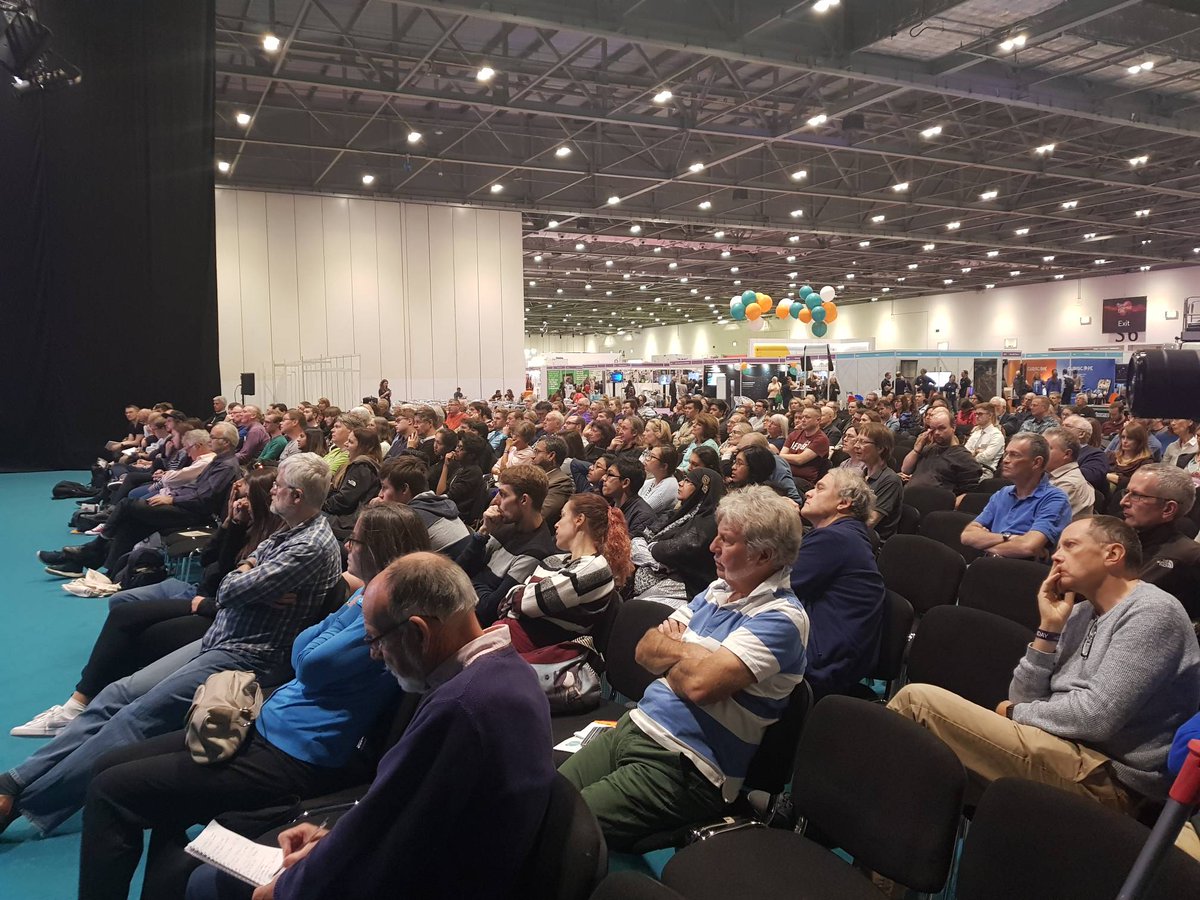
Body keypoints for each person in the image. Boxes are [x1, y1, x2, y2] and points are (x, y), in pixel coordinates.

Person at [76, 505, 430, 900]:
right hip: (265, 724)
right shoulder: (365, 593)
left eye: (355, 540)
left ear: (378, 548)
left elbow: (310, 661)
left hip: (297, 756)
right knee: (106, 767)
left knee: (111, 791)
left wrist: (313, 645)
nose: (347, 545)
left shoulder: (386, 610)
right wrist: (312, 644)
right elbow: (304, 647)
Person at [1, 454, 345, 837]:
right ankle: (15, 780)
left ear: (296, 496)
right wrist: (248, 574)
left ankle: (24, 804)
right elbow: (237, 577)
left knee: (136, 719)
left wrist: (245, 577)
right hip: (223, 638)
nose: (273, 491)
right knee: (118, 693)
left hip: (247, 657)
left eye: (278, 486)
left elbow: (230, 588)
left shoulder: (309, 546)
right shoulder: (293, 528)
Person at [188, 552, 556, 900]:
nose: (374, 654)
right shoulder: (509, 672)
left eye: (376, 640)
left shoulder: (459, 707)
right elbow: (402, 819)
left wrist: (289, 889)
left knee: (205, 884)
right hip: (450, 866)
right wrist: (331, 840)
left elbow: (392, 846)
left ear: (419, 632)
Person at [889, 516, 1200, 812]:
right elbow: (1024, 697)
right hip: (1062, 749)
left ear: (1113, 554)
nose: (1055, 556)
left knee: (918, 704)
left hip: (1110, 778)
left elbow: (1097, 716)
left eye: (1070, 545)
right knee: (925, 772)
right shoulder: (1078, 614)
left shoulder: (1153, 612)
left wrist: (1014, 713)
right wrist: (1048, 630)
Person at [562, 486, 807, 850]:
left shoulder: (783, 619)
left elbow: (699, 686)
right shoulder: (717, 591)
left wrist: (677, 648)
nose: (712, 548)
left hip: (688, 766)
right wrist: (697, 654)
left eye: (726, 541)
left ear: (764, 555)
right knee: (543, 799)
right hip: (634, 726)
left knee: (561, 827)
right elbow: (645, 649)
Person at [792, 471, 885, 698]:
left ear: (844, 503)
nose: (809, 492)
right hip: (830, 656)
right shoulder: (842, 535)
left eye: (820, 488)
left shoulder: (835, 539)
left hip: (819, 662)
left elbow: (771, 585)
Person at [498, 493, 632, 651]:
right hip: (512, 637)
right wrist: (519, 597)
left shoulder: (595, 568)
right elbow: (515, 601)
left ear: (579, 520)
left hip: (537, 652)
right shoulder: (555, 559)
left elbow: (524, 603)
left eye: (562, 516)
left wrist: (519, 597)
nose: (556, 524)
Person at [456, 464, 558, 624]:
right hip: (461, 605)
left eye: (503, 495)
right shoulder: (502, 523)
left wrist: (469, 580)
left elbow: (489, 609)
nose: (495, 501)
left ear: (524, 500)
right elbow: (458, 570)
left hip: (471, 621)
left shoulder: (536, 552)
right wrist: (483, 532)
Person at [962, 433, 1072, 560]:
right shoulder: (1002, 494)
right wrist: (1008, 538)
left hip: (1022, 573)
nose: (1006, 460)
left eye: (1014, 455)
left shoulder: (1055, 499)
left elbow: (1027, 547)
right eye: (1006, 454)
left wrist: (984, 542)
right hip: (989, 566)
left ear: (1036, 462)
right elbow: (967, 535)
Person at [630, 469, 726, 602]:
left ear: (702, 489)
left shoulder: (708, 523)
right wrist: (654, 559)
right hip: (654, 574)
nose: (680, 483)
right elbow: (639, 535)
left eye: (688, 481)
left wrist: (650, 547)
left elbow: (673, 551)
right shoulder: (677, 512)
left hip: (685, 587)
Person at [1119, 465, 1200, 621]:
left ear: (1168, 509)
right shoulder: (1114, 541)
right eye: (1126, 492)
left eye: (1136, 495)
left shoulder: (1190, 557)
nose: (1123, 501)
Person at [899, 407, 982, 494]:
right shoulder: (928, 449)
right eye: (933, 429)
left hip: (936, 504)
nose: (937, 433)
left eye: (942, 428)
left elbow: (968, 494)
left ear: (953, 427)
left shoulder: (964, 458)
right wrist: (917, 449)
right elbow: (905, 470)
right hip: (909, 499)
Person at [321, 426, 382, 539]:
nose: (345, 444)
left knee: (306, 514)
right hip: (349, 516)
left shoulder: (362, 466)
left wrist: (321, 504)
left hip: (349, 522)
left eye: (351, 442)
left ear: (364, 446)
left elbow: (344, 501)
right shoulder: (367, 463)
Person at [857, 422, 902, 541]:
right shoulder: (861, 474)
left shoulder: (890, 480)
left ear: (880, 448)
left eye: (863, 442)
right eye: (857, 441)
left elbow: (870, 521)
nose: (856, 445)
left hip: (871, 542)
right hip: (854, 533)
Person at [1044, 427, 1096, 521]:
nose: (1041, 452)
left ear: (1067, 454)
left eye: (1048, 448)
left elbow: (1045, 522)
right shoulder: (1049, 475)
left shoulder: (1068, 484)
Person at [602, 456, 658, 536]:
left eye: (610, 474)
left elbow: (626, 546)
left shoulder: (643, 516)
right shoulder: (609, 506)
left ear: (625, 483)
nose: (604, 478)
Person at [531, 435, 575, 526]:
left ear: (551, 456)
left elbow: (541, 514)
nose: (532, 456)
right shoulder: (533, 475)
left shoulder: (562, 482)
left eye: (537, 452)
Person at [781, 407, 829, 488]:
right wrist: (782, 456)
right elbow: (782, 454)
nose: (803, 420)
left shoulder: (821, 439)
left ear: (818, 420)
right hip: (787, 474)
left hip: (804, 481)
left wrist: (781, 456)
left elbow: (800, 460)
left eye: (807, 417)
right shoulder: (794, 434)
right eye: (802, 417)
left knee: (782, 484)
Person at [1107, 421, 1155, 494]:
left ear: (1139, 441)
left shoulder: (1146, 463)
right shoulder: (1111, 456)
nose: (1125, 441)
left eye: (1130, 438)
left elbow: (1138, 484)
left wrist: (1109, 476)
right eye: (1123, 437)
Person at [964, 401, 1004, 478]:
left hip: (985, 471)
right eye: (976, 414)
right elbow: (965, 452)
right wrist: (976, 452)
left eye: (980, 414)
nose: (977, 417)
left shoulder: (997, 435)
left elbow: (985, 458)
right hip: (968, 468)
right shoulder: (976, 433)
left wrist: (971, 456)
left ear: (990, 415)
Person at [640, 443, 681, 514]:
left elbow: (642, 511)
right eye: (648, 454)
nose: (646, 458)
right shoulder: (652, 481)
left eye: (652, 456)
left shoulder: (670, 485)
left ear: (664, 466)